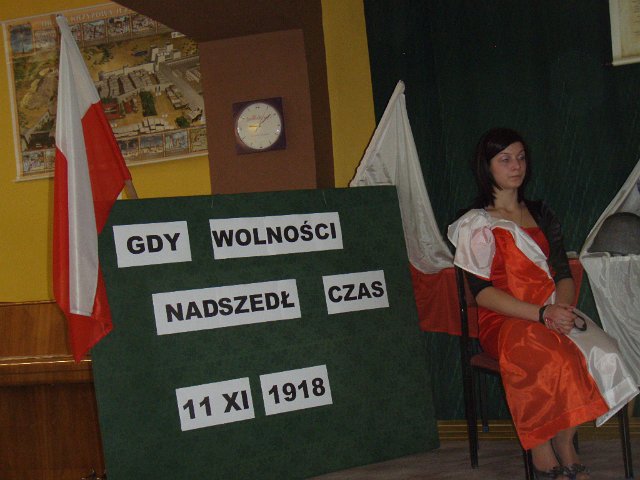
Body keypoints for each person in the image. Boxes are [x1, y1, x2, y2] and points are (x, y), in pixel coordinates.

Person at [447, 128, 638, 480]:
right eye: (505, 159)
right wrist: (541, 314)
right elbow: (482, 293)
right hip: (505, 320)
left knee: (605, 351)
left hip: (553, 311)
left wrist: (560, 311)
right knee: (550, 355)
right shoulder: (476, 222)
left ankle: (565, 440)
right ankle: (541, 446)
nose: (516, 166)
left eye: (521, 158)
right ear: (487, 166)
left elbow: (563, 273)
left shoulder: (542, 213)